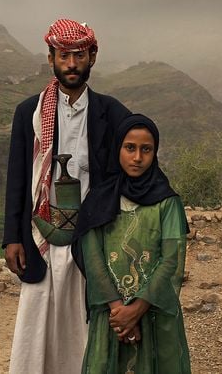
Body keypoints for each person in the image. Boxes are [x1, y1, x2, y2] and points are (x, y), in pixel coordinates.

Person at [3, 19, 131, 374]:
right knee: (37, 320)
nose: (71, 64)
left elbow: (130, 170)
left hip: (90, 237)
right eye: (64, 56)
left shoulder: (111, 112)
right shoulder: (29, 112)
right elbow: (17, 178)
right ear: (51, 59)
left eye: (79, 55)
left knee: (83, 325)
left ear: (92, 56)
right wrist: (11, 238)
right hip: (40, 232)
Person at [74, 115, 191, 373]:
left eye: (146, 149)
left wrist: (137, 309)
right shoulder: (99, 200)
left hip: (153, 312)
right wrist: (120, 311)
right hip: (111, 315)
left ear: (154, 152)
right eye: (130, 148)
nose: (137, 157)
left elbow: (171, 259)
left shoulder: (168, 202)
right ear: (118, 149)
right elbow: (93, 258)